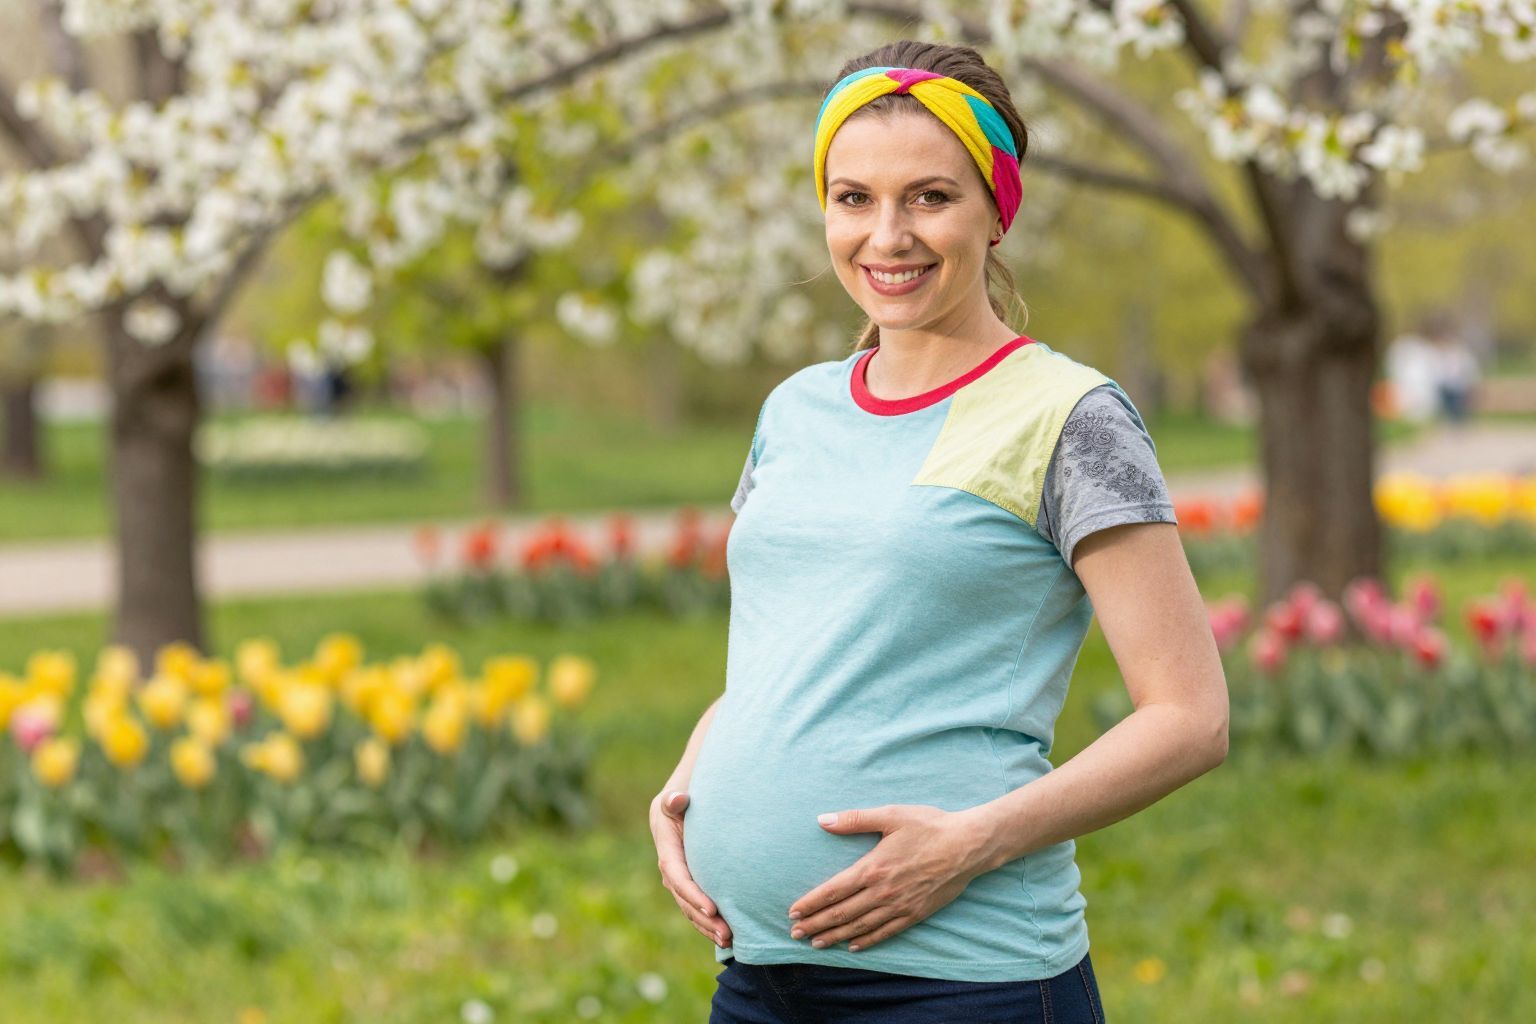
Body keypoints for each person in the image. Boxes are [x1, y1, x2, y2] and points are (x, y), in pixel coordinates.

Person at [648, 40, 1229, 1023]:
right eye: (853, 198)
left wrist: (969, 843)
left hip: (962, 981)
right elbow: (791, 655)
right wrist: (693, 775)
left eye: (929, 197)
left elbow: (1191, 718)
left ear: (998, 209)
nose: (888, 235)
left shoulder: (1069, 413)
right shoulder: (795, 408)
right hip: (757, 977)